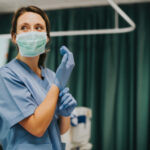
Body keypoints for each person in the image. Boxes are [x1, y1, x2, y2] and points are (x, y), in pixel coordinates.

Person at [0, 6, 77, 150]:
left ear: (47, 37)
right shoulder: (6, 76)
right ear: (14, 37)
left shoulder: (51, 76)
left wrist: (64, 114)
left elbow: (59, 130)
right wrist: (57, 85)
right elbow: (37, 128)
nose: (32, 33)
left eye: (38, 27)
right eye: (24, 27)